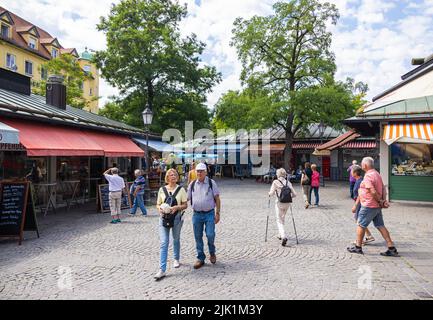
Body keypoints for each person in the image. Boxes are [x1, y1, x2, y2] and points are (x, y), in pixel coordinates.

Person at [347, 157, 398, 256]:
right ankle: (391, 247)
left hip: (369, 205)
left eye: (362, 164)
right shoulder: (377, 174)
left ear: (365, 165)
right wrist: (383, 201)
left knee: (361, 225)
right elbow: (383, 188)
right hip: (376, 206)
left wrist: (380, 201)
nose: (361, 166)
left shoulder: (368, 176)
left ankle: (358, 247)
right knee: (380, 225)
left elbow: (372, 190)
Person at [154, 169, 188, 280]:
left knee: (176, 239)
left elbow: (185, 205)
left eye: (175, 174)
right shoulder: (161, 190)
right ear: (167, 177)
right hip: (163, 218)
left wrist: (176, 207)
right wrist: (161, 209)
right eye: (171, 175)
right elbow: (158, 204)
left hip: (177, 218)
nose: (173, 176)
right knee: (164, 243)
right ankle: (162, 270)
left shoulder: (181, 189)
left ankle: (176, 258)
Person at [187, 162, 221, 269]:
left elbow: (217, 199)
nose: (199, 173)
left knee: (210, 234)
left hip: (209, 213)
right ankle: (200, 258)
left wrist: (218, 213)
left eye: (201, 171)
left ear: (205, 172)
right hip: (196, 214)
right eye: (198, 171)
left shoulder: (211, 183)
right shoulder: (192, 184)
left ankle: (212, 252)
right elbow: (186, 198)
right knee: (198, 236)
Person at [269, 168, 297, 246]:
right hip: (287, 203)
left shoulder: (275, 182)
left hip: (279, 203)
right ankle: (280, 234)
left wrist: (270, 193)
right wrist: (289, 197)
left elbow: (271, 193)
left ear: (278, 174)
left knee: (279, 220)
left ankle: (283, 236)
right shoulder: (288, 183)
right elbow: (295, 194)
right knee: (282, 218)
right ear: (285, 175)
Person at [351, 165, 374, 245]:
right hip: (360, 203)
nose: (350, 173)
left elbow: (360, 195)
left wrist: (355, 205)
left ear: (355, 173)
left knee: (360, 222)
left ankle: (361, 240)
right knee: (359, 221)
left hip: (361, 204)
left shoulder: (360, 181)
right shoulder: (358, 180)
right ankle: (368, 236)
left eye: (351, 171)